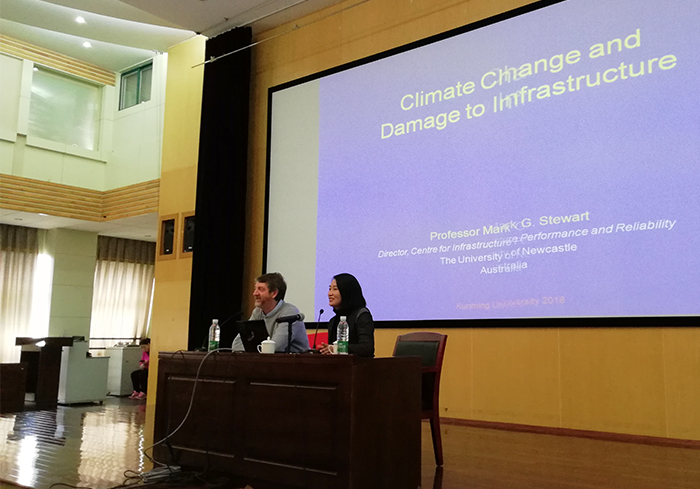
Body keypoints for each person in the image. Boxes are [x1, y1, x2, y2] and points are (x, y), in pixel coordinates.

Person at [232, 272, 310, 353]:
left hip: (296, 360)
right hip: (267, 359)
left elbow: (275, 347)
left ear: (274, 293)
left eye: (260, 289)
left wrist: (253, 350)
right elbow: (237, 344)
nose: (255, 293)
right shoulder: (258, 312)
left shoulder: (290, 312)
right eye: (255, 289)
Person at [319, 273, 375, 358]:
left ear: (346, 292)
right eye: (330, 289)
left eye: (335, 289)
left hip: (358, 365)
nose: (330, 293)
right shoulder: (333, 321)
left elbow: (367, 348)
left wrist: (338, 348)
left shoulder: (362, 315)